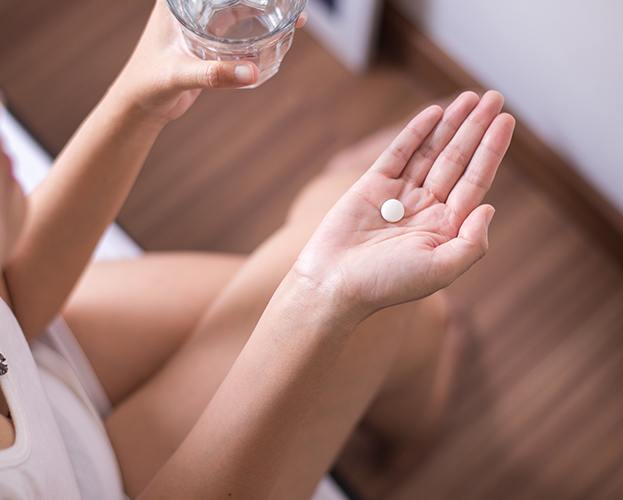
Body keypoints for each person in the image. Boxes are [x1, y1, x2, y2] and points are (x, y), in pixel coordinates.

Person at [0, 0, 516, 498]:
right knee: (383, 301)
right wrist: (318, 297)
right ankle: (418, 418)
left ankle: (416, 348)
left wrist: (138, 96)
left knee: (343, 232)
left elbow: (13, 294)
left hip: (28, 365)